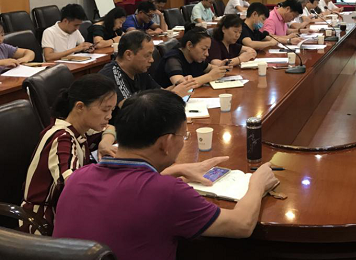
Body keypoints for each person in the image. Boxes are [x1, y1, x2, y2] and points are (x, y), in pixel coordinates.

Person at [53, 90, 279, 260]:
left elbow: (124, 191)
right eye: (183, 135)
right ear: (167, 142)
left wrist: (174, 170)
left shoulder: (79, 177)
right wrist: (257, 183)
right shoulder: (167, 192)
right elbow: (241, 225)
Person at [20, 74, 118, 234]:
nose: (109, 116)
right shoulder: (62, 138)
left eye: (112, 110)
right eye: (105, 110)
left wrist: (105, 142)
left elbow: (110, 128)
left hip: (65, 211)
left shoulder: (81, 128)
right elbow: (75, 186)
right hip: (42, 222)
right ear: (80, 107)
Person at [98, 31, 194, 110]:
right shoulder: (112, 75)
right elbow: (130, 110)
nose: (152, 60)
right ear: (128, 55)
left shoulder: (138, 69)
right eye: (147, 55)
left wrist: (179, 85)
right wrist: (174, 95)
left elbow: (160, 93)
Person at [154, 26, 228, 88]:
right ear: (189, 45)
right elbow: (181, 86)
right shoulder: (172, 59)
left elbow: (210, 68)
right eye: (204, 49)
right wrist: (210, 76)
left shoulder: (196, 57)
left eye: (208, 49)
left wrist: (223, 68)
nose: (207, 54)